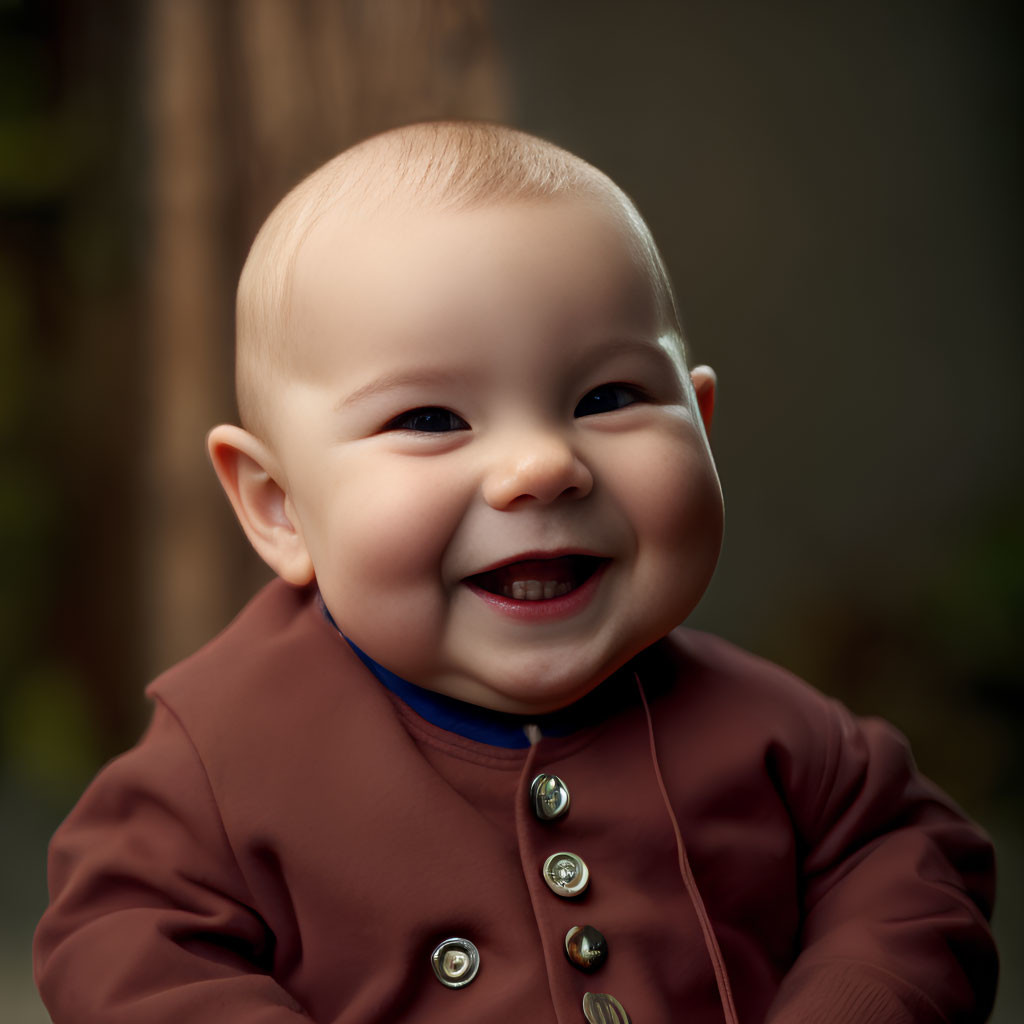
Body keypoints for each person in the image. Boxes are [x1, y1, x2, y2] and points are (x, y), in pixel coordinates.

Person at [34, 122, 997, 1024]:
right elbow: (125, 951)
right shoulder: (216, 769)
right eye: (430, 420)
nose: (541, 467)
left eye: (608, 397)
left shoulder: (777, 736)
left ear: (701, 428)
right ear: (279, 505)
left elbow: (913, 866)